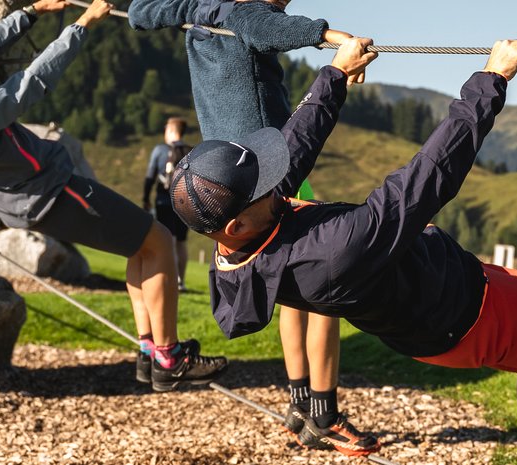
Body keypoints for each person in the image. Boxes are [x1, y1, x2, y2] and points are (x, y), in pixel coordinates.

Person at [171, 38, 517, 465]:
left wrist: (335, 75)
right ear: (237, 224)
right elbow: (427, 178)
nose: (278, 185)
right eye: (265, 186)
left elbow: (294, 149)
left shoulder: (241, 239)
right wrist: (490, 80)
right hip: (472, 309)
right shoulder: (330, 253)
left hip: (432, 320)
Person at [0, 0, 226, 392]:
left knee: (139, 247)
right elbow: (23, 91)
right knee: (156, 240)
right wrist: (82, 26)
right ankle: (169, 358)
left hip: (41, 187)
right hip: (47, 194)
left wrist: (32, 12)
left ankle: (150, 354)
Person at [127, 0, 374, 453]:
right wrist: (340, 43)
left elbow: (142, 12)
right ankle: (324, 413)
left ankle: (301, 404)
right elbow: (267, 30)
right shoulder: (238, 12)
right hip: (273, 170)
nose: (284, 3)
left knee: (292, 289)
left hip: (230, 178)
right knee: (325, 291)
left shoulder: (196, 9)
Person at [144, 117, 195, 292]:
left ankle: (170, 280)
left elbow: (150, 177)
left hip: (164, 201)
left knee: (168, 240)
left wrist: (145, 198)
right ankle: (181, 282)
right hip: (185, 204)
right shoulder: (191, 151)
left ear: (171, 130)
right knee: (181, 241)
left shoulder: (160, 150)